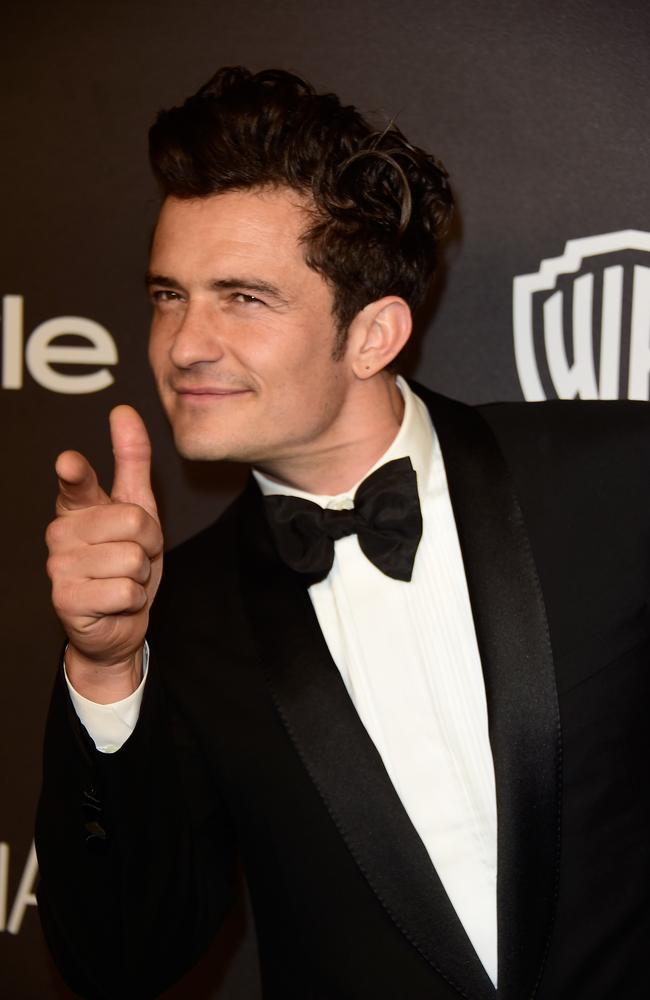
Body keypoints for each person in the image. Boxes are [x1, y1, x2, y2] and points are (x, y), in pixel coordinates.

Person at [36, 67, 650, 1000]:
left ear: (373, 335)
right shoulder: (181, 611)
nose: (184, 343)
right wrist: (107, 672)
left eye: (242, 297)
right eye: (169, 295)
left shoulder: (613, 478)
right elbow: (122, 956)